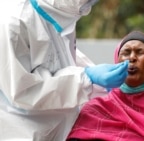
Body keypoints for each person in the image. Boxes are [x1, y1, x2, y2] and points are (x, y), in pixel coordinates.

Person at [0, 0, 128, 141]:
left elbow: (59, 56)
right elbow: (23, 90)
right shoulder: (13, 22)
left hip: (58, 127)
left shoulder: (58, 13)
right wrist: (86, 79)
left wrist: (96, 80)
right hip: (23, 131)